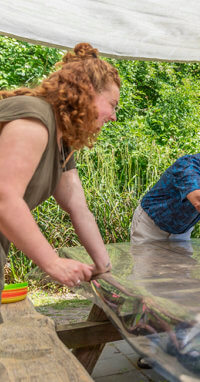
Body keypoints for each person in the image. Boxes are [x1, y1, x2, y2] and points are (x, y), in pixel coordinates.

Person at [0, 43, 118, 308]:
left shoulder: (62, 141)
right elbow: (5, 198)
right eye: (112, 105)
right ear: (87, 93)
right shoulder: (35, 118)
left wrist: (103, 266)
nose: (113, 117)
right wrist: (53, 263)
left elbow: (78, 207)